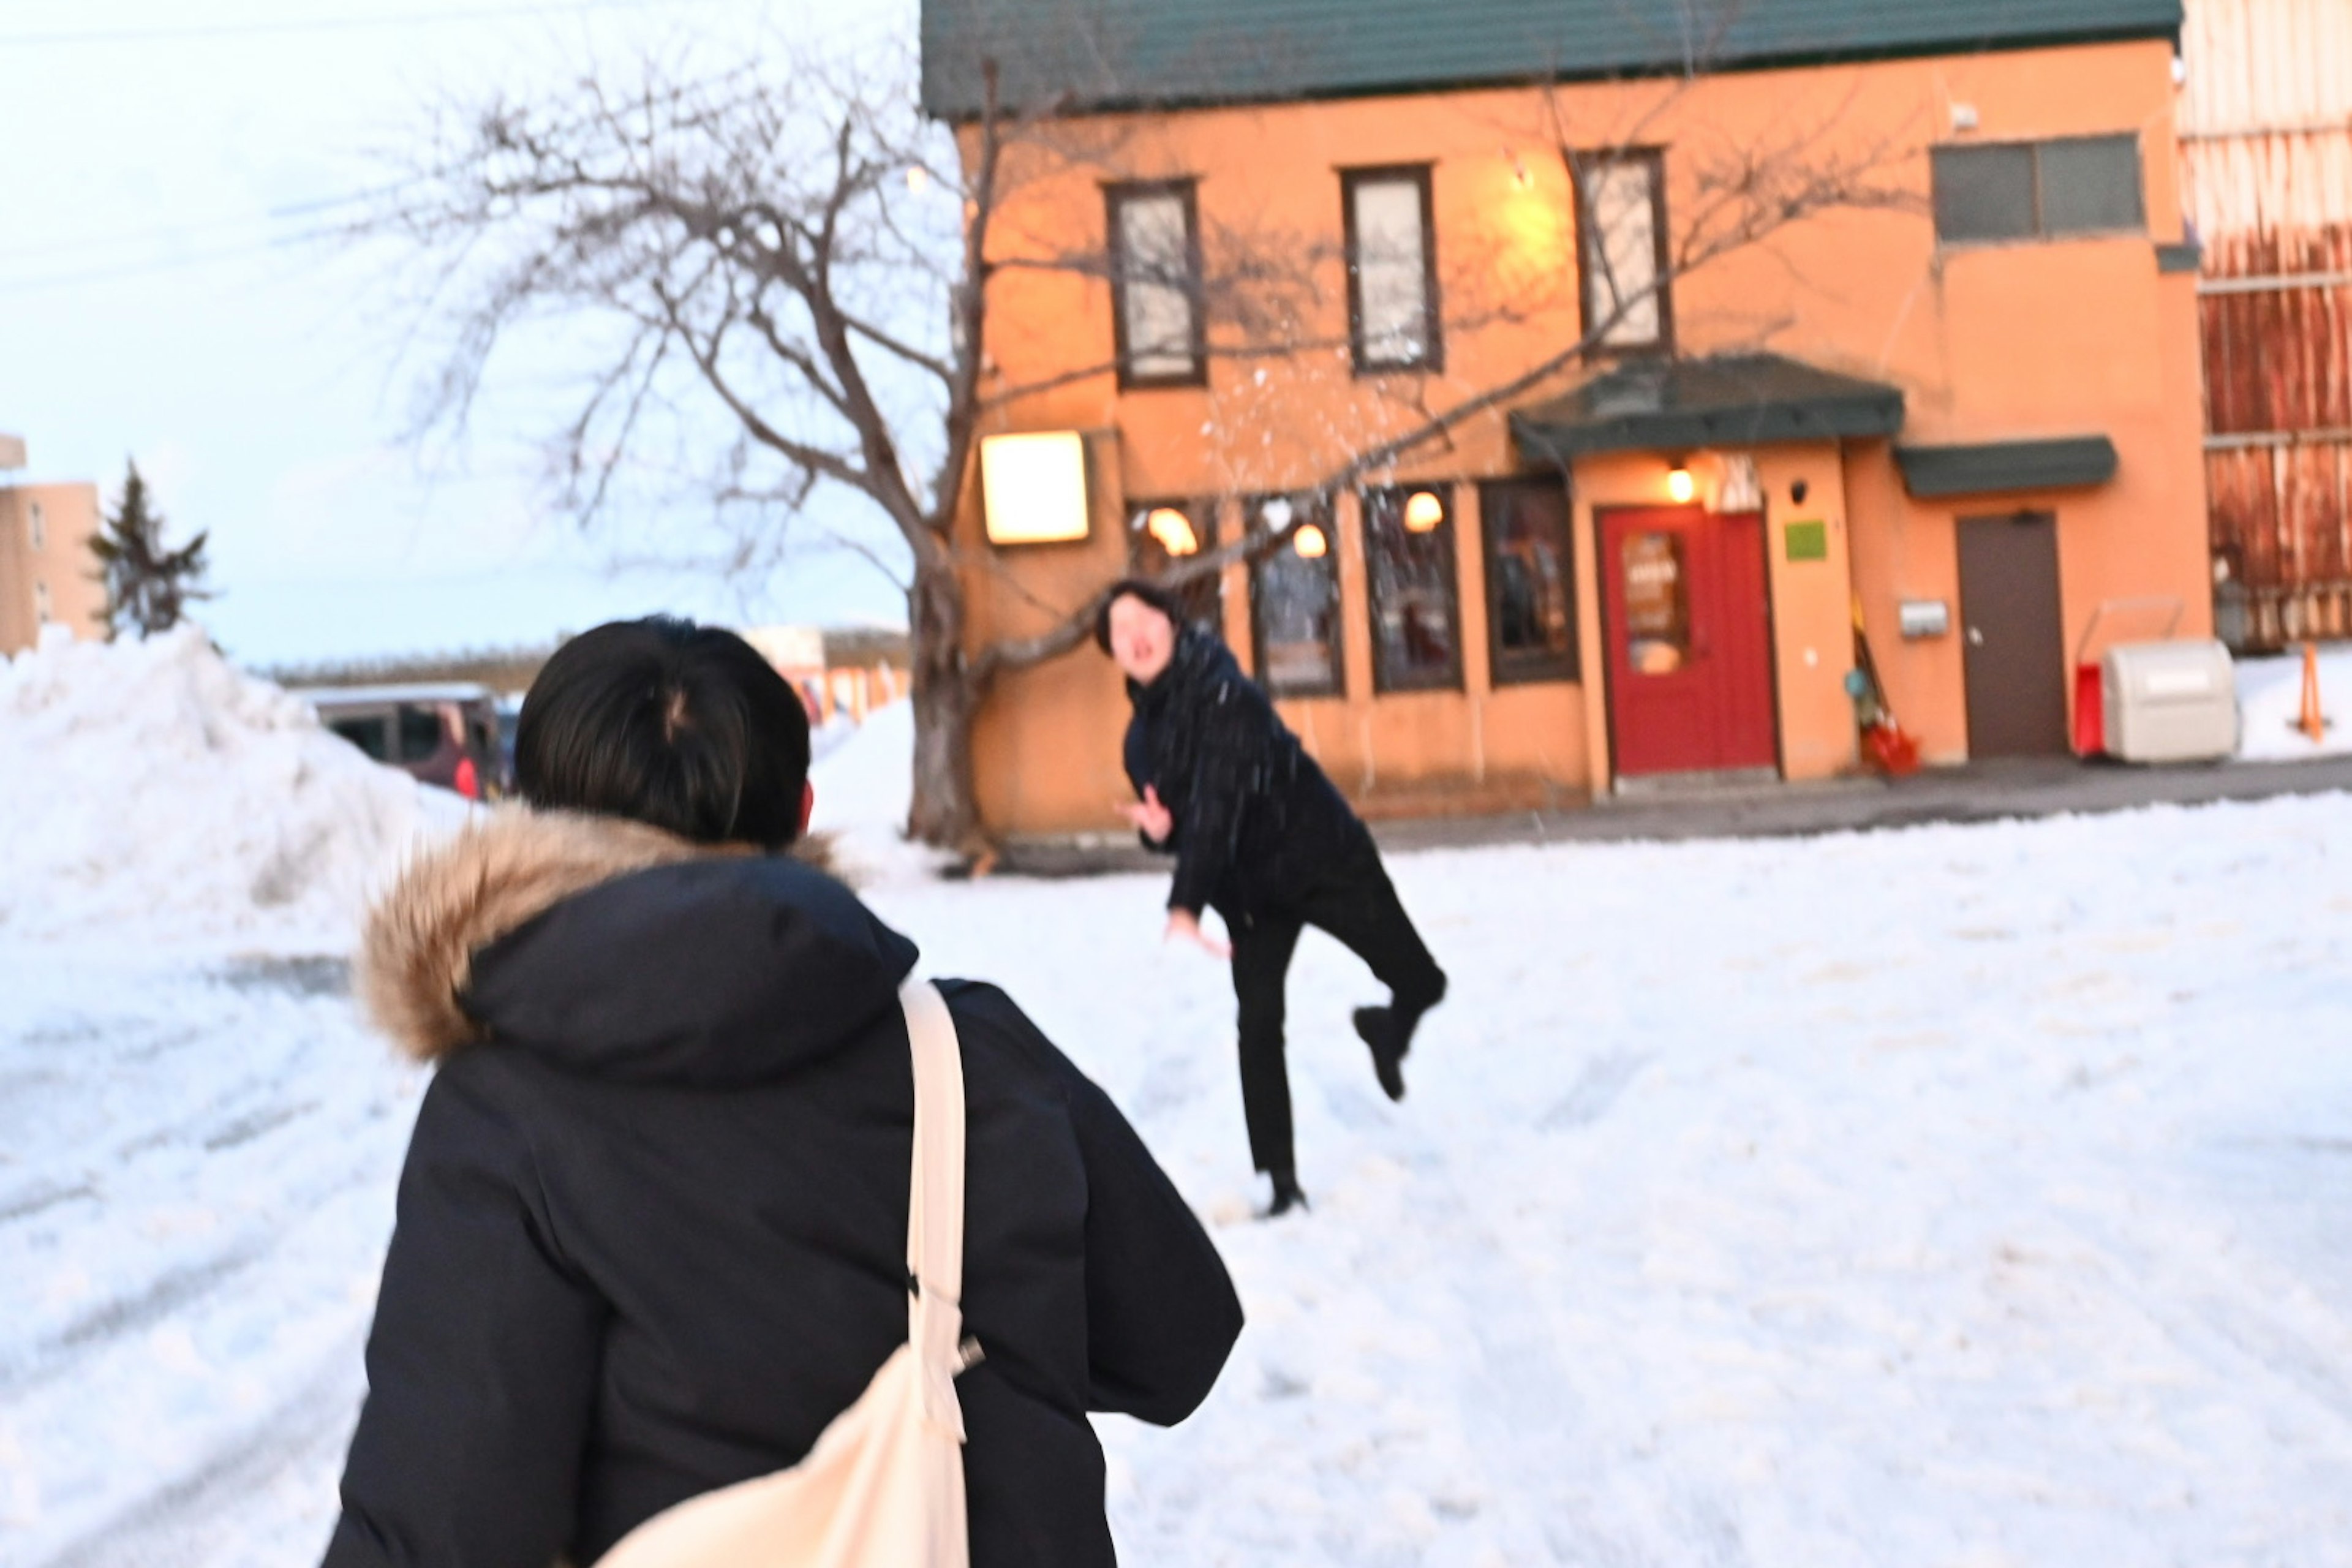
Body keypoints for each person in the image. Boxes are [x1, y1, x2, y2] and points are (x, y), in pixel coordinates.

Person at [323, 616, 1242, 1568]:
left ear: (527, 820)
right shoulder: (971, 1053)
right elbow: (1179, 1344)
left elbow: (439, 1529)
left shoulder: (506, 1107)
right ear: (803, 809)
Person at [1099, 579, 1448, 1218]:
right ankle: (1280, 1181)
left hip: (1324, 859)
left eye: (1143, 618)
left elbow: (1219, 803)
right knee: (1257, 1027)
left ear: (1172, 621)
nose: (1135, 637)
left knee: (1423, 979)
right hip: (1251, 892)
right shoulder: (1141, 742)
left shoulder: (1228, 693)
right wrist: (1158, 835)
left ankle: (1386, 1027)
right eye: (1119, 633)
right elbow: (1185, 826)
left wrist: (1184, 906)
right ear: (1114, 654)